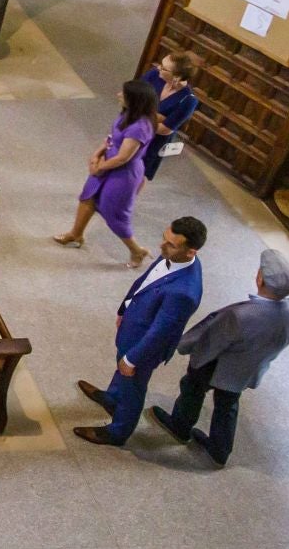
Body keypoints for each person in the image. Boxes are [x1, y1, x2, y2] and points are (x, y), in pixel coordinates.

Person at [149, 247, 289, 466]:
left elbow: (211, 339)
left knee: (192, 390)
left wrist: (184, 348)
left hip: (215, 365)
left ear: (260, 278)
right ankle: (219, 450)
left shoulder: (240, 315)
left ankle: (180, 426)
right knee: (228, 405)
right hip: (247, 369)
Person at [75, 216, 207, 448]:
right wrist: (124, 308)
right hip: (133, 327)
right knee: (122, 373)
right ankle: (112, 397)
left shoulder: (184, 291)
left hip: (144, 345)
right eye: (164, 239)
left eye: (171, 244)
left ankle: (118, 432)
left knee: (133, 387)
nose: (162, 246)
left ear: (190, 252)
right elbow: (144, 282)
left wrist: (133, 358)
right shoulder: (171, 255)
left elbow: (162, 330)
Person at [53, 79, 160, 265]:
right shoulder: (127, 115)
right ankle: (76, 234)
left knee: (114, 214)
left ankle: (137, 251)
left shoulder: (140, 127)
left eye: (123, 94)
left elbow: (123, 158)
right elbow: (111, 138)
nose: (118, 95)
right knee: (88, 198)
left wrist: (99, 167)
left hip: (122, 175)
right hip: (107, 163)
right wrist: (96, 154)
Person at [140, 51, 200, 190]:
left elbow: (165, 130)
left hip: (153, 141)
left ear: (177, 77)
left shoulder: (188, 100)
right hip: (132, 128)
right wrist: (159, 117)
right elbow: (133, 97)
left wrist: (142, 114)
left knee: (140, 173)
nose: (158, 68)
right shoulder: (155, 74)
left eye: (164, 68)